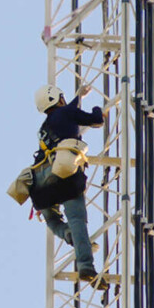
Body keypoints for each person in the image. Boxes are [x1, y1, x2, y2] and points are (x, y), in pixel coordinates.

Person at [30, 82, 107, 288]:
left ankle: (70, 235)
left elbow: (67, 112)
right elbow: (96, 120)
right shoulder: (66, 113)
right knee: (76, 218)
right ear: (57, 99)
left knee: (53, 220)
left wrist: (79, 96)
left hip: (40, 184)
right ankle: (86, 266)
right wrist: (98, 109)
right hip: (64, 175)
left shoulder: (44, 128)